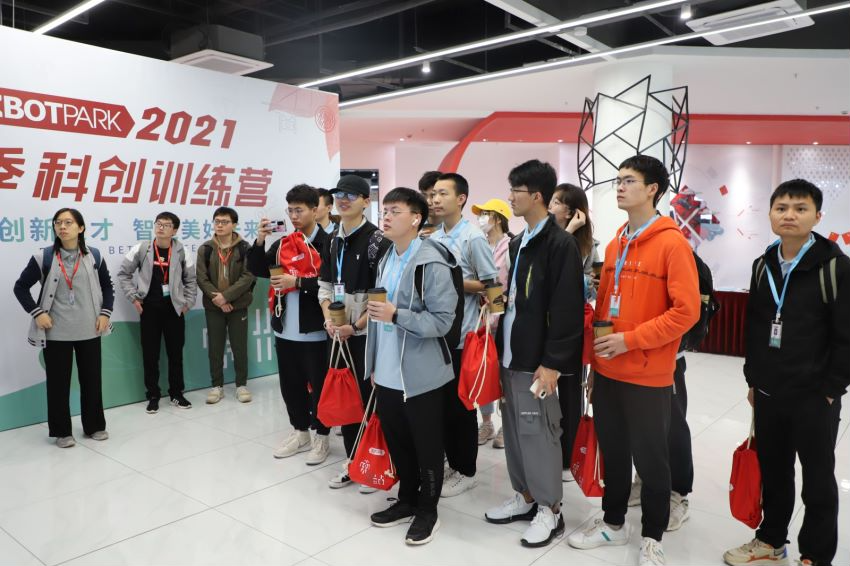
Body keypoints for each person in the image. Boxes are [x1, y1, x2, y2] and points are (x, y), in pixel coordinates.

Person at [568, 155, 700, 566]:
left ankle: (652, 536)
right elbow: (603, 309)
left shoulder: (672, 244)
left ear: (653, 189)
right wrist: (595, 364)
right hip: (608, 370)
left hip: (648, 373)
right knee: (614, 451)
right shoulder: (616, 243)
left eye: (629, 180)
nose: (620, 187)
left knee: (651, 459)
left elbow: (686, 312)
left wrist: (631, 341)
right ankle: (613, 522)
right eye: (619, 180)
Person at [723, 179, 848, 566]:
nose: (789, 215)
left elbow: (846, 335)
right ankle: (771, 540)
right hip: (769, 391)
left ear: (817, 216)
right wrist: (753, 379)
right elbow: (755, 327)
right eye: (781, 208)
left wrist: (831, 388)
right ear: (771, 214)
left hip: (814, 395)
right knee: (775, 471)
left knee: (818, 480)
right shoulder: (764, 265)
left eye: (800, 208)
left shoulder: (835, 267)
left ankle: (816, 554)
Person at [485, 160, 584, 548]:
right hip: (511, 355)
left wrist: (552, 363)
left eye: (516, 191)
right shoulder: (518, 242)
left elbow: (566, 309)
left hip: (537, 362)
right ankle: (525, 496)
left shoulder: (559, 245)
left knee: (539, 432)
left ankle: (550, 509)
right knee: (513, 430)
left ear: (537, 196)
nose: (510, 197)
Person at [365, 187, 458, 546]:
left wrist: (396, 315)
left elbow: (442, 321)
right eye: (384, 211)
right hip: (387, 369)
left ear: (416, 219)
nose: (386, 217)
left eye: (395, 211)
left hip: (421, 374)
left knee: (427, 445)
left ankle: (428, 511)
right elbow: (377, 315)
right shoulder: (387, 256)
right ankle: (406, 499)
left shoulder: (432, 261)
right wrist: (375, 363)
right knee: (398, 440)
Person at [14, 208, 114, 448]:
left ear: (81, 228)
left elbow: (107, 287)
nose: (62, 227)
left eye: (68, 222)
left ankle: (94, 426)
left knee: (92, 381)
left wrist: (105, 313)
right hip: (56, 332)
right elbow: (20, 287)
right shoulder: (44, 257)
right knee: (58, 384)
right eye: (58, 222)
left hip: (89, 329)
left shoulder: (94, 256)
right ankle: (62, 432)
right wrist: (37, 313)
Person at [248, 185, 333, 465]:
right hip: (285, 328)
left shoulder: (329, 243)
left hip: (317, 330)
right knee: (290, 385)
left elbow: (334, 284)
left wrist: (296, 282)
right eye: (291, 210)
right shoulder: (284, 243)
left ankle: (322, 436)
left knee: (320, 387)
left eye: (300, 210)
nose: (294, 216)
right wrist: (260, 240)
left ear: (315, 210)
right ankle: (300, 432)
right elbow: (257, 269)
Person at [318, 175, 391, 490]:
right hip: (337, 334)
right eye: (339, 195)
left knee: (370, 400)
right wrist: (330, 319)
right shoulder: (333, 240)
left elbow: (382, 294)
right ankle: (351, 462)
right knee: (346, 400)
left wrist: (355, 326)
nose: (343, 200)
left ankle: (372, 464)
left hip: (367, 335)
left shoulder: (378, 241)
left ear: (366, 200)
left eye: (350, 195)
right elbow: (324, 285)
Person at [430, 172, 500, 498]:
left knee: (461, 407)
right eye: (433, 194)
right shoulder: (434, 237)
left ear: (461, 199)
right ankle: (451, 461)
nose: (435, 199)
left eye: (443, 193)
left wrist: (452, 280)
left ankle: (467, 470)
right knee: (442, 407)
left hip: (463, 336)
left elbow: (492, 286)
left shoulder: (473, 238)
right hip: (436, 336)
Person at [116, 212, 197, 413]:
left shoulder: (182, 251)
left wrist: (187, 303)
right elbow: (123, 273)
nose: (160, 227)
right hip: (149, 309)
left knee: (175, 354)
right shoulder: (141, 248)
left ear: (174, 230)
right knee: (150, 355)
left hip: (174, 310)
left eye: (166, 225)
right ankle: (153, 395)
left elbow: (191, 280)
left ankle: (176, 393)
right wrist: (134, 298)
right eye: (158, 223)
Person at [549, 183, 601, 483]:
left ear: (571, 211)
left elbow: (586, 288)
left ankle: (568, 457)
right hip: (543, 325)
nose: (551, 206)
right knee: (541, 392)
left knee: (570, 392)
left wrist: (569, 235)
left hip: (572, 326)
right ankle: (547, 448)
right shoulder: (543, 237)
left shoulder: (589, 245)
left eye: (557, 202)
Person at [196, 206, 256, 405]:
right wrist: (219, 300)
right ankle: (217, 386)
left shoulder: (245, 248)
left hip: (238, 305)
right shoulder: (206, 249)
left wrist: (227, 297)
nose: (220, 225)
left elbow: (248, 276)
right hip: (214, 306)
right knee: (215, 347)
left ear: (234, 225)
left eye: (225, 222)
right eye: (217, 221)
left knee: (239, 346)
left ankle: (241, 385)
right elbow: (201, 278)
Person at [470, 198, 513, 449]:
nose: (481, 219)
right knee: (483, 372)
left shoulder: (510, 247)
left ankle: (506, 425)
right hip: (480, 319)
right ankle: (486, 422)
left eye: (485, 214)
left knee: (505, 374)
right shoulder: (479, 244)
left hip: (504, 321)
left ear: (497, 218)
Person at [417, 170, 441, 236]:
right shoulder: (413, 225)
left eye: (433, 196)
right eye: (424, 195)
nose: (428, 202)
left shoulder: (457, 229)